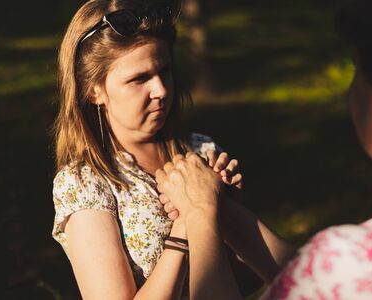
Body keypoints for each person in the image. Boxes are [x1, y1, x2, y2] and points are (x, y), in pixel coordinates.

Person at [156, 0, 372, 299]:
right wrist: (223, 212)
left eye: (356, 71)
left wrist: (199, 214)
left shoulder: (354, 262)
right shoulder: (354, 269)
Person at [51, 0, 246, 299]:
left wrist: (231, 212)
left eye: (164, 71)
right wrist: (190, 219)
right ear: (93, 90)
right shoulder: (85, 184)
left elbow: (244, 282)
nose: (162, 90)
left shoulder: (201, 150)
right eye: (139, 79)